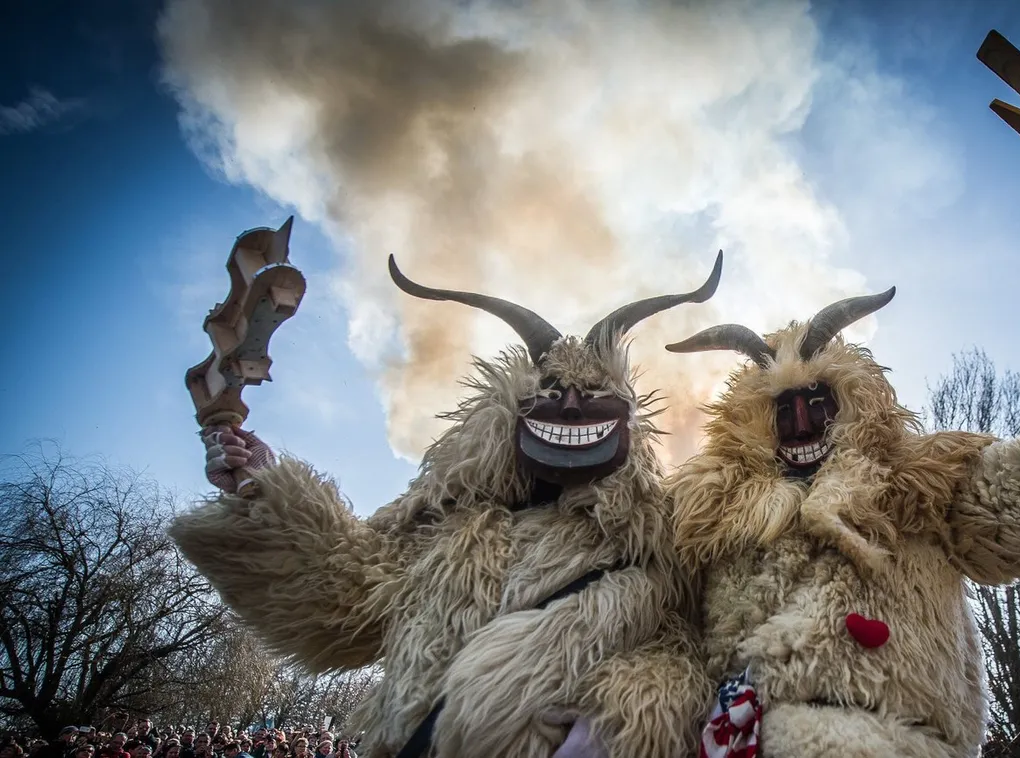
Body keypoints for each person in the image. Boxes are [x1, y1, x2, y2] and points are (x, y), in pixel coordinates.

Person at [664, 239, 1020, 757]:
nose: (802, 425)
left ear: (851, 401)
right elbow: (635, 593)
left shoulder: (921, 482)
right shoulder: (712, 517)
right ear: (754, 421)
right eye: (783, 411)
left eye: (818, 402)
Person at [172, 253, 726, 758]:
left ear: (629, 417)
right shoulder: (440, 525)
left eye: (592, 395)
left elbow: (699, 647)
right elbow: (338, 599)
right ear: (507, 411)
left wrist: (627, 722)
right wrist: (266, 488)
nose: (573, 408)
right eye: (550, 393)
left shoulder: (659, 544)